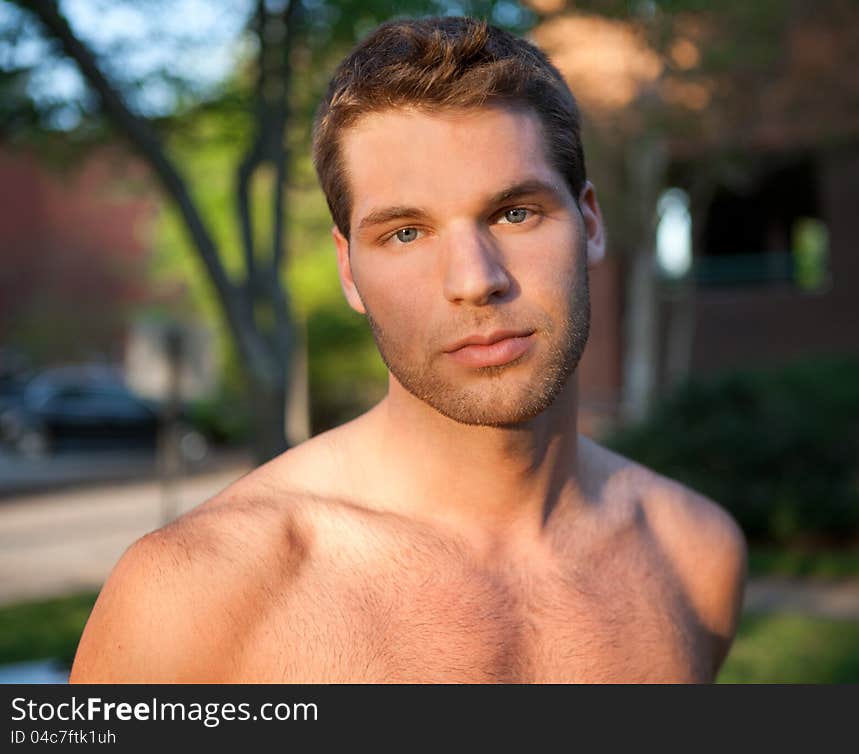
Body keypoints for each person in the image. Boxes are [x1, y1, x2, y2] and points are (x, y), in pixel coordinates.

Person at [70, 16, 746, 684]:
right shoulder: (194, 592)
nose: (476, 280)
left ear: (590, 223)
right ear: (347, 271)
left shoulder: (695, 555)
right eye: (405, 233)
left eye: (515, 213)